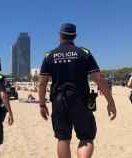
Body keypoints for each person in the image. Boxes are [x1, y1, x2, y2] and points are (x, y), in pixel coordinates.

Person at [38, 23, 117, 158]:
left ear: (60, 35)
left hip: (58, 101)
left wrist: (42, 104)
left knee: (63, 139)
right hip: (80, 100)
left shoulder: (49, 55)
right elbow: (99, 79)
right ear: (74, 36)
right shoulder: (84, 53)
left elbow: (42, 83)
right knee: (86, 138)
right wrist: (110, 101)